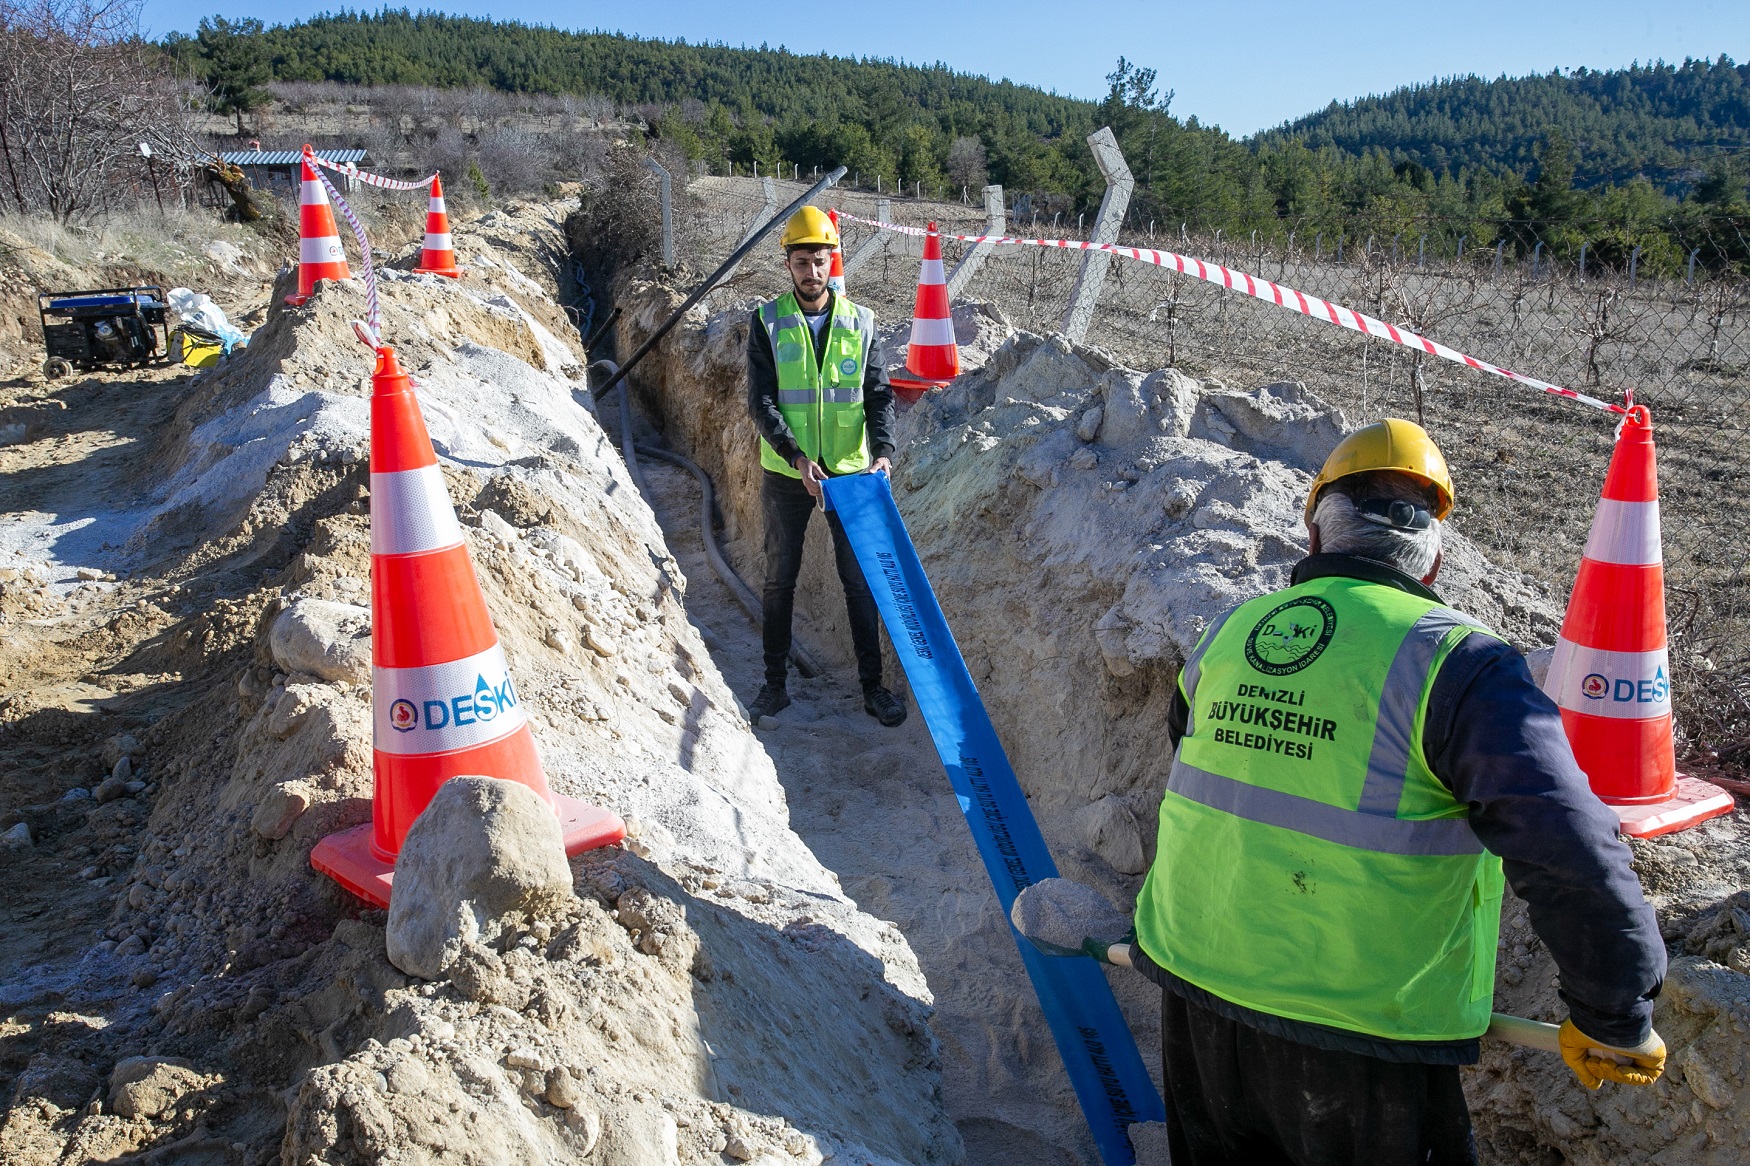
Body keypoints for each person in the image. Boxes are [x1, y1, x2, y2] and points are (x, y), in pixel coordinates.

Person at [1130, 419, 1668, 1166]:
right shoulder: (1461, 666)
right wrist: (1615, 1012)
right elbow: (1567, 846)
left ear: (1316, 538)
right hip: (1361, 1029)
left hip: (1195, 989)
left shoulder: (1231, 630)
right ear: (1436, 560)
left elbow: (1224, 768)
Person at [745, 206, 905, 727]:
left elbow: (879, 396)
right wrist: (796, 457)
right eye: (801, 262)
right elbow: (761, 400)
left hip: (853, 473)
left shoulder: (861, 322)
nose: (811, 272)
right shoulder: (767, 322)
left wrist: (883, 451)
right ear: (787, 264)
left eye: (819, 261)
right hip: (788, 474)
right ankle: (774, 685)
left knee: (859, 584)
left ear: (831, 261)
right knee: (779, 579)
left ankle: (873, 688)